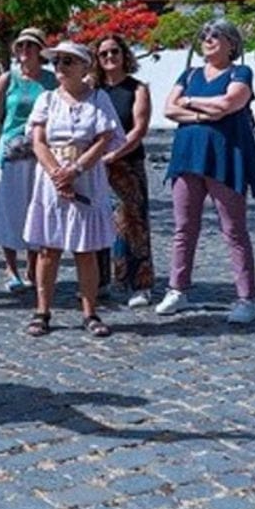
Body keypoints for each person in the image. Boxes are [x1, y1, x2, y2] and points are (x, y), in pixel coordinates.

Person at [155, 19, 255, 324]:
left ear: (232, 43)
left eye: (216, 35)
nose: (208, 39)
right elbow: (168, 109)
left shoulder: (241, 72)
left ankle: (246, 298)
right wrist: (205, 109)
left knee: (234, 231)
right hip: (187, 156)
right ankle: (177, 289)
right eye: (204, 35)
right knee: (183, 228)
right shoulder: (188, 74)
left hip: (225, 157)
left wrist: (189, 103)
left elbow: (229, 103)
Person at [22, 41, 124, 337]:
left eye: (68, 62)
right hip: (51, 175)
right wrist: (57, 174)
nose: (61, 68)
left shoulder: (98, 99)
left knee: (86, 249)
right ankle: (42, 310)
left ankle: (90, 311)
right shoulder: (47, 100)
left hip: (87, 176)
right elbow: (38, 140)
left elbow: (105, 138)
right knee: (48, 249)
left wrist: (77, 169)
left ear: (83, 66)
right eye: (57, 63)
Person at [0, 27, 57, 294]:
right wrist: (6, 140)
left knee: (35, 208)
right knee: (8, 208)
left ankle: (31, 265)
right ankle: (10, 267)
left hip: (40, 152)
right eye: (21, 46)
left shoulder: (51, 81)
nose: (25, 52)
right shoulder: (8, 79)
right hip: (12, 152)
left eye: (31, 46)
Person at [91, 34, 155, 307]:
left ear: (124, 54)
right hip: (95, 163)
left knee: (133, 223)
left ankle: (140, 284)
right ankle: (101, 280)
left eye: (114, 51)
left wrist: (114, 155)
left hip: (127, 164)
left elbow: (138, 129)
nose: (109, 57)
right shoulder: (93, 89)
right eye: (103, 53)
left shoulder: (137, 89)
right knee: (97, 221)